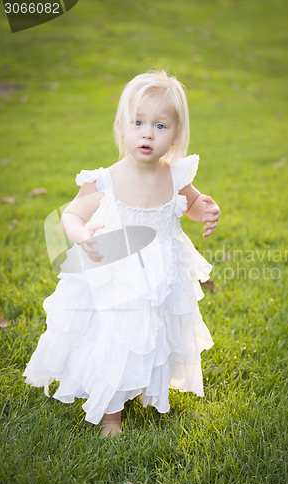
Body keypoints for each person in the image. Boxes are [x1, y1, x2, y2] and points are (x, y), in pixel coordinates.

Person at [23, 70, 220, 437]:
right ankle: (110, 414)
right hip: (117, 273)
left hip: (162, 273)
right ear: (121, 127)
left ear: (175, 135)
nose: (148, 133)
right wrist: (82, 235)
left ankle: (145, 385)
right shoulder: (106, 179)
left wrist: (207, 210)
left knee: (154, 331)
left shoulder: (176, 176)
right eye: (139, 122)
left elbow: (191, 204)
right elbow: (71, 214)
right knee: (116, 335)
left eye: (160, 126)